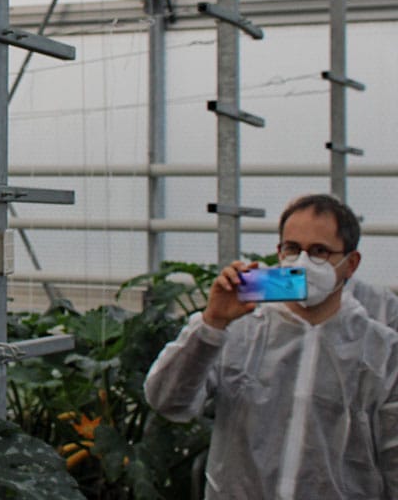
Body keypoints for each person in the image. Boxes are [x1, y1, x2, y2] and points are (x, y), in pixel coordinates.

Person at [144, 194, 398, 499]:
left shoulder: (380, 350)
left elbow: (393, 455)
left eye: (319, 251)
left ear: (350, 264)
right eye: (292, 248)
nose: (302, 262)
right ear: (279, 252)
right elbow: (167, 400)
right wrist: (211, 324)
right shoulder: (241, 329)